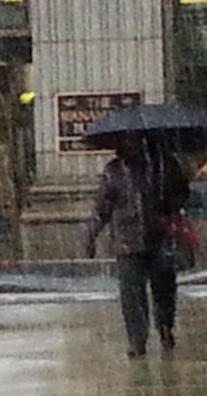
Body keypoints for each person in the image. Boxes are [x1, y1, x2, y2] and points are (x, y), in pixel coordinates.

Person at [86, 133, 190, 358]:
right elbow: (102, 207)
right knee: (132, 294)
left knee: (164, 288)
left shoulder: (164, 165)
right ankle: (137, 338)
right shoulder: (113, 170)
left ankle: (165, 327)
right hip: (127, 242)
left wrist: (170, 207)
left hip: (160, 237)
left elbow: (182, 192)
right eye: (128, 141)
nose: (133, 145)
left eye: (138, 140)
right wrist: (91, 235)